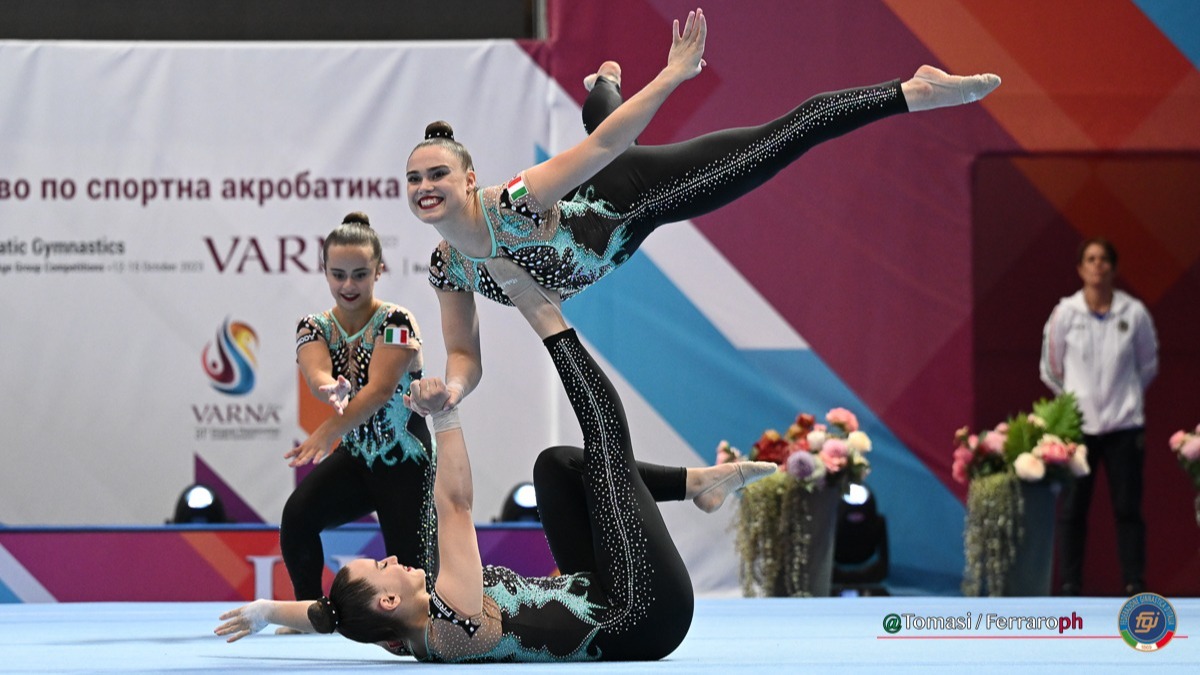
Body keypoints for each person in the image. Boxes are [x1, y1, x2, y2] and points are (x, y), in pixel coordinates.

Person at [401, 7, 1002, 415]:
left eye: (437, 175)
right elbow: (463, 356)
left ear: (468, 179)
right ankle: (604, 80)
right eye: (415, 180)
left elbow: (606, 147)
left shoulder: (512, 203)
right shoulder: (447, 267)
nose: (426, 187)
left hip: (635, 196)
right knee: (606, 124)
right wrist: (449, 391)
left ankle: (914, 91)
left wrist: (673, 73)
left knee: (782, 138)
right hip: (605, 200)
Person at [215, 275, 778, 661]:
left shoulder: (396, 634)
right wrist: (445, 413)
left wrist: (268, 611)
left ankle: (697, 485)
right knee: (603, 435)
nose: (388, 556)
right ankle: (546, 314)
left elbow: (335, 614)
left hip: (592, 591)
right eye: (380, 565)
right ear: (391, 599)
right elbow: (454, 502)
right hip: (642, 610)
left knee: (556, 467)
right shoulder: (452, 613)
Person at [278, 212, 437, 616]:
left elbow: (382, 389)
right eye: (338, 274)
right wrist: (327, 386)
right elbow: (315, 372)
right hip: (358, 458)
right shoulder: (313, 326)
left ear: (379, 271)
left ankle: (419, 632)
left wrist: (329, 429)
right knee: (298, 516)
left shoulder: (397, 323)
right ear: (324, 271)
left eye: (360, 274)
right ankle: (310, 612)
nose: (348, 285)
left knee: (412, 572)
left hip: (405, 461)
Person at [1040, 236, 1158, 596]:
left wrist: (1126, 399)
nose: (1097, 265)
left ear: (1113, 268)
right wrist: (1075, 402)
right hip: (1079, 427)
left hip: (1124, 425)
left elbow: (1147, 364)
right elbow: (1051, 367)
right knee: (1073, 509)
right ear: (1080, 268)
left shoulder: (1134, 313)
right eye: (1090, 259)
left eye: (1104, 259)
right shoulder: (1065, 313)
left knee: (1127, 508)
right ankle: (1071, 583)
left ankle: (1134, 582)